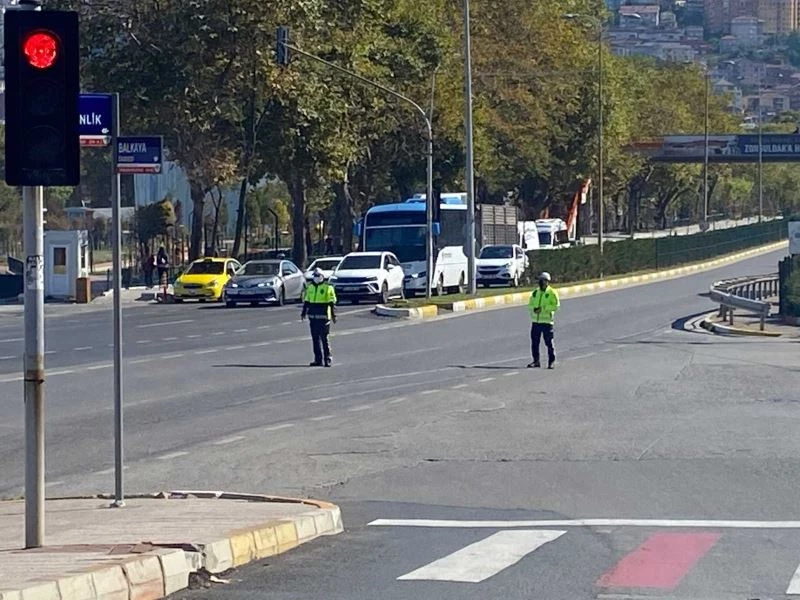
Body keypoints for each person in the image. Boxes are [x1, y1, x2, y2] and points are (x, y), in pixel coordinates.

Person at [301, 267, 337, 367]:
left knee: (324, 338)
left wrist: (333, 315)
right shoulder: (310, 287)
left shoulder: (328, 287)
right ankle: (318, 359)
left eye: (317, 276)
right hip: (313, 317)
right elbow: (307, 301)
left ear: (322, 277)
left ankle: (328, 358)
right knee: (315, 339)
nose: (316, 278)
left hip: (324, 317)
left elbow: (331, 302)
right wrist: (303, 312)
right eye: (314, 276)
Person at [527, 271, 560, 369]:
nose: (541, 283)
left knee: (549, 342)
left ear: (547, 281)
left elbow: (556, 306)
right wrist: (534, 309)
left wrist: (544, 308)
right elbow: (530, 304)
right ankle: (536, 361)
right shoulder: (536, 292)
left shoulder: (552, 292)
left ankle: (551, 361)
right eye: (540, 280)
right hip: (536, 321)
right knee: (535, 342)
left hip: (547, 322)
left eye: (543, 281)